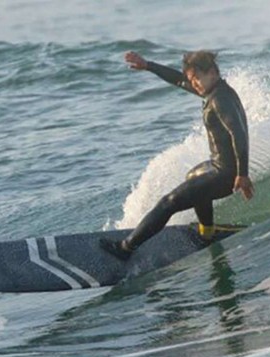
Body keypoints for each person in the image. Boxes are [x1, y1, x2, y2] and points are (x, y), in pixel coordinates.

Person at [100, 50, 254, 260]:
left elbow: (239, 134)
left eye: (197, 78)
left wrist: (242, 175)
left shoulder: (220, 99)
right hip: (219, 166)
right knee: (194, 177)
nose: (195, 84)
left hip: (227, 174)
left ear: (212, 72)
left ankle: (125, 249)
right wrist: (148, 65)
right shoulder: (215, 91)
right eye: (193, 79)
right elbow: (179, 81)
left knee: (169, 202)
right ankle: (207, 232)